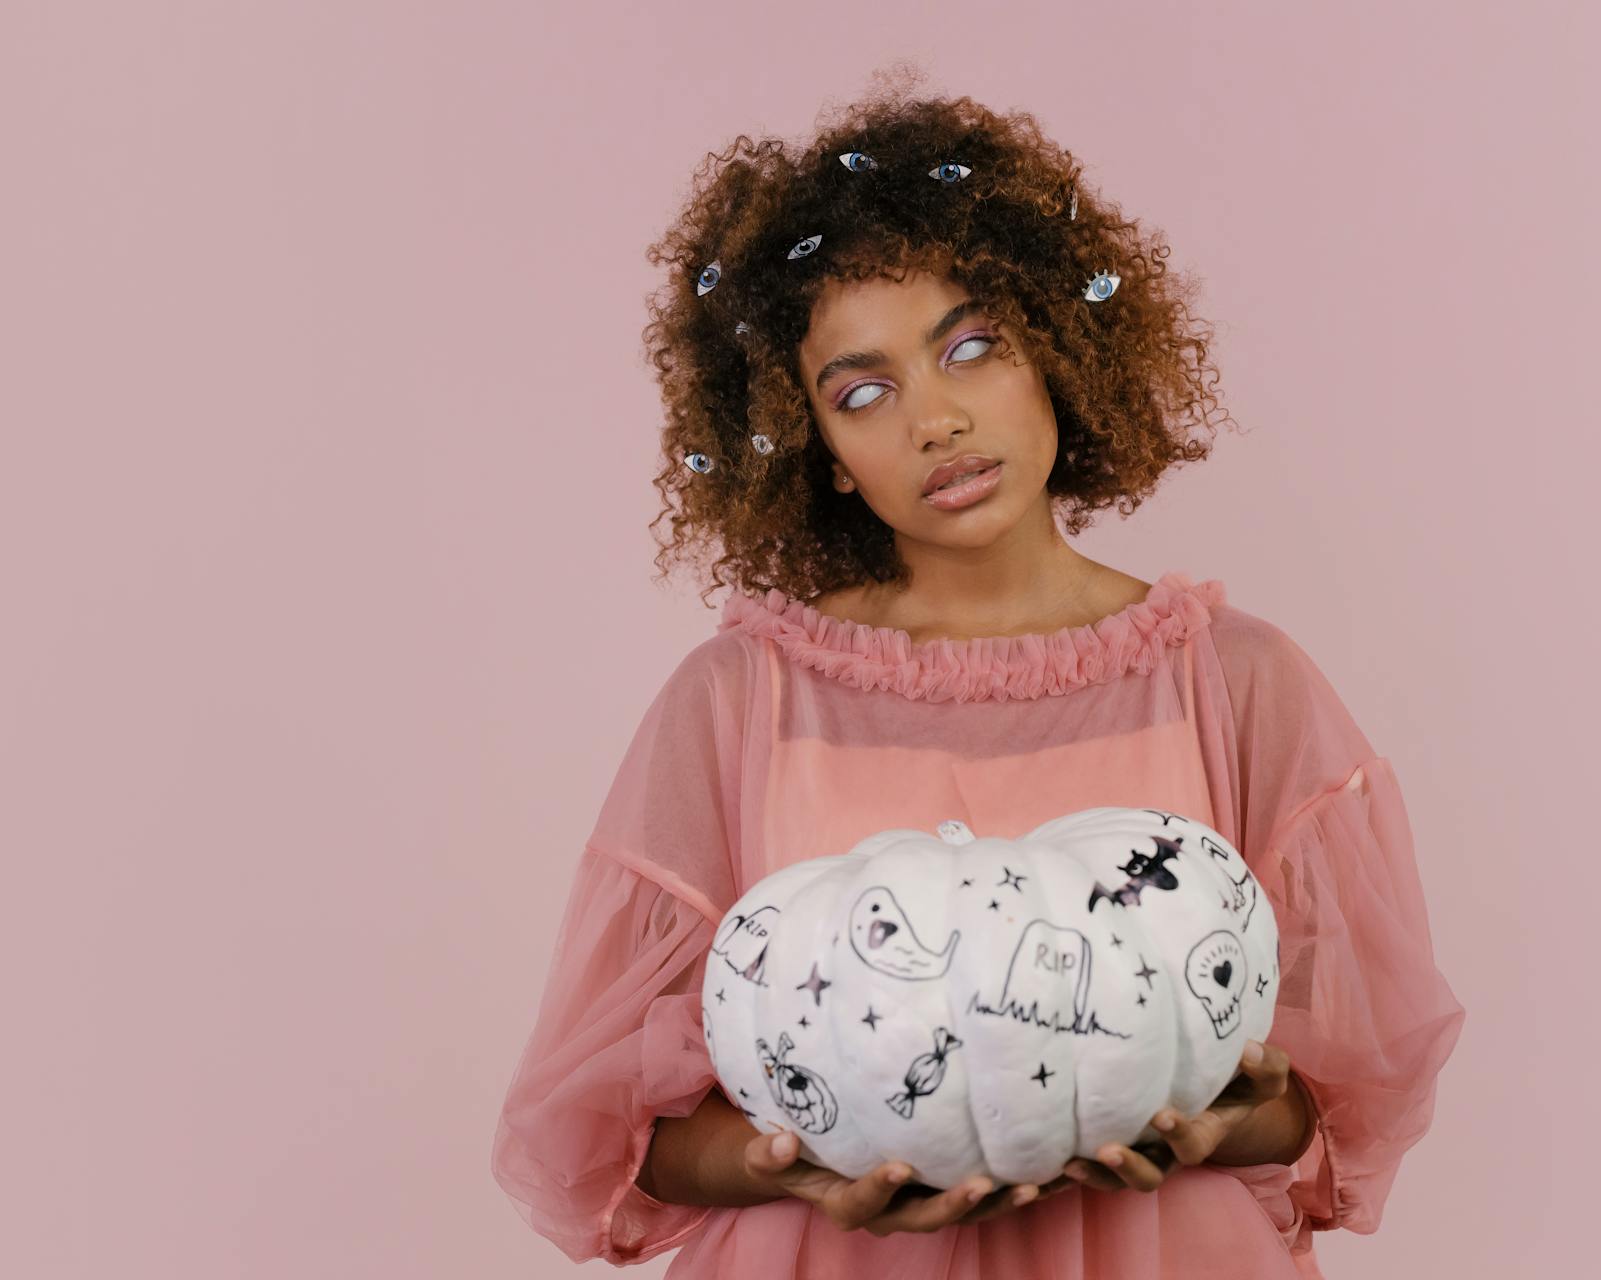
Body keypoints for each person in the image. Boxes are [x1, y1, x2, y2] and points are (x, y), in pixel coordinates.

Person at [490, 75, 1466, 1279]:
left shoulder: (1239, 681)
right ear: (822, 454)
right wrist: (770, 1162)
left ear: (1054, 346)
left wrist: (1234, 1119)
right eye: (863, 391)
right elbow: (620, 1133)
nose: (936, 420)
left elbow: (1327, 1106)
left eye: (970, 347)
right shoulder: (742, 699)